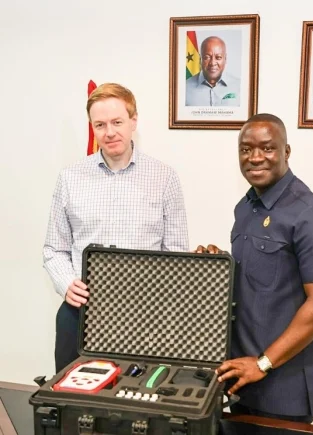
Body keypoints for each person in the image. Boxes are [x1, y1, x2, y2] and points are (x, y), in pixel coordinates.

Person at [196, 113, 313, 423]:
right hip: (240, 377)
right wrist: (216, 264)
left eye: (267, 148)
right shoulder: (246, 207)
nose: (255, 157)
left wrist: (262, 363)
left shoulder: (311, 214)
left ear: (286, 152)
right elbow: (259, 278)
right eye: (246, 149)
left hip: (283, 388)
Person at [43, 83, 189, 373]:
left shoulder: (164, 178)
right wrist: (67, 282)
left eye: (117, 122)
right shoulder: (70, 178)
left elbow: (176, 253)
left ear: (134, 121)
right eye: (100, 125)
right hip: (82, 314)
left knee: (136, 397)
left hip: (145, 318)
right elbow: (54, 249)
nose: (109, 132)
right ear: (92, 128)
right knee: (73, 395)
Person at [186, 36, 240, 107]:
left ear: (225, 59)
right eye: (207, 57)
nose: (212, 63)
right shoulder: (185, 88)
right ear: (200, 59)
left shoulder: (240, 86)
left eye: (218, 57)